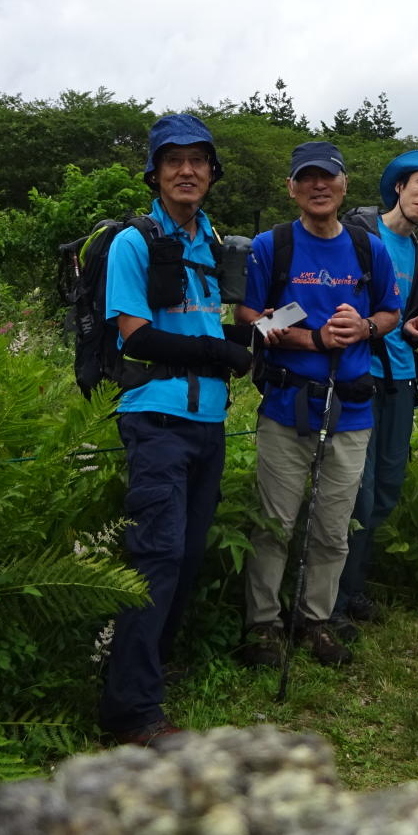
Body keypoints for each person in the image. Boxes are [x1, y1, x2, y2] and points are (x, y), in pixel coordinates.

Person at [98, 113, 254, 746]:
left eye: (198, 161)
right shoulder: (133, 244)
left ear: (212, 173)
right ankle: (131, 714)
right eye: (173, 161)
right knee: (156, 558)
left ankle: (148, 671)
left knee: (186, 556)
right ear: (155, 174)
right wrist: (219, 354)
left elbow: (209, 323)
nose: (186, 171)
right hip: (156, 418)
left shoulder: (212, 245)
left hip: (208, 421)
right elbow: (135, 333)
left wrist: (243, 342)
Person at [236, 141, 400, 667]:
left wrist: (365, 327)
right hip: (286, 405)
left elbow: (391, 312)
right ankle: (263, 625)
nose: (317, 186)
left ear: (344, 183)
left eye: (327, 177)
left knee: (333, 527)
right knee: (274, 524)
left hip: (350, 411)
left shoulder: (367, 247)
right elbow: (250, 317)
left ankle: (316, 619)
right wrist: (315, 339)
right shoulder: (272, 245)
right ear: (291, 188)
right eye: (306, 178)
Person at [330, 149, 418, 639]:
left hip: (399, 379)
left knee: (387, 489)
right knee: (356, 494)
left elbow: (398, 315)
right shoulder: (356, 237)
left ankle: (355, 586)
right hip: (354, 377)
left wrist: (410, 332)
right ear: (399, 187)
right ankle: (335, 601)